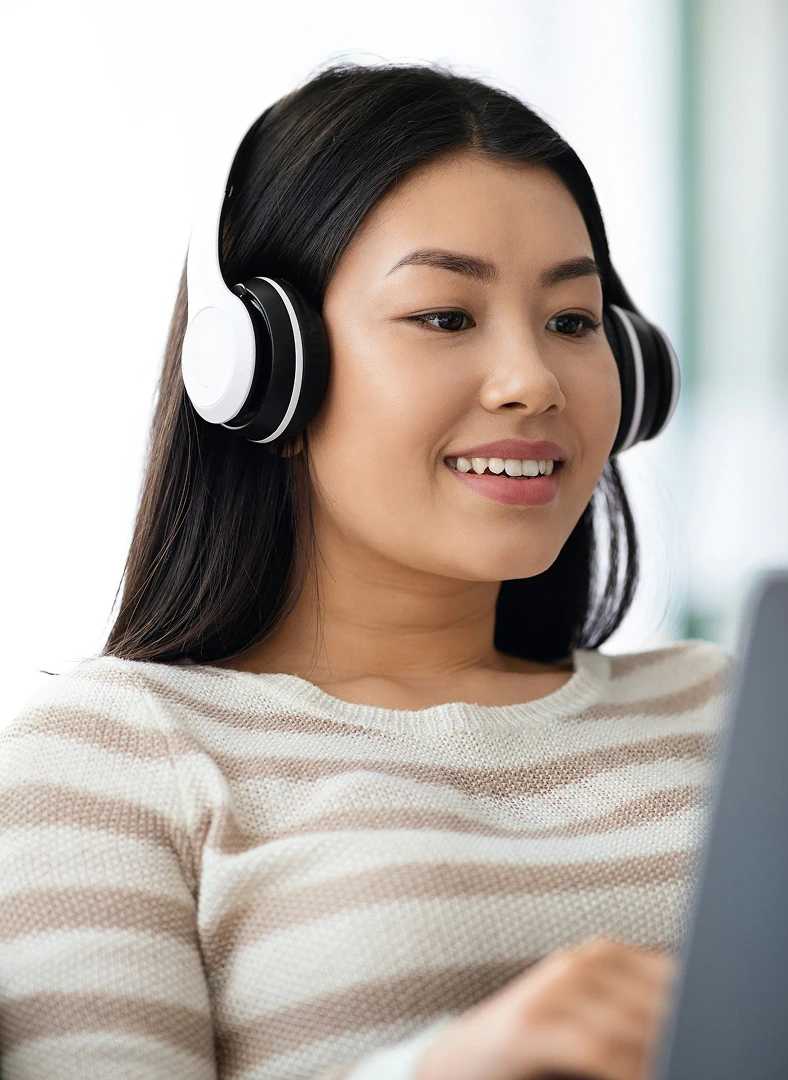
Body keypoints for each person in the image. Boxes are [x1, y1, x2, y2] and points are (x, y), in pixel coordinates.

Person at [0, 61, 728, 1080]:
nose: (532, 381)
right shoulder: (109, 763)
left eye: (573, 321)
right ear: (262, 373)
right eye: (446, 317)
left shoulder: (732, 711)